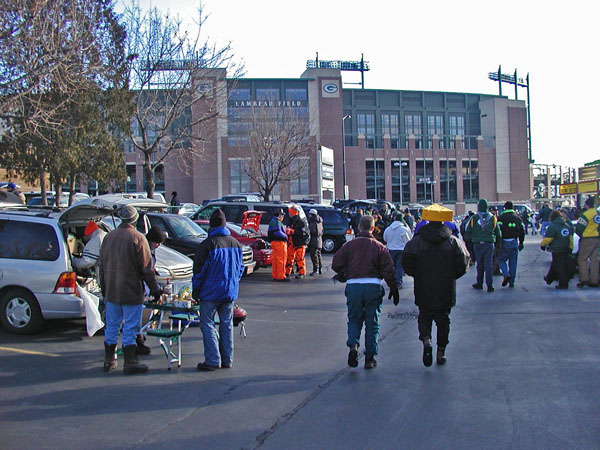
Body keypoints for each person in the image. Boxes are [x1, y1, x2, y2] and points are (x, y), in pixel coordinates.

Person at [403, 204, 470, 367]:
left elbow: (406, 261)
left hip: (423, 286)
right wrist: (452, 275)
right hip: (446, 287)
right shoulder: (453, 241)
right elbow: (464, 262)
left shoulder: (417, 241)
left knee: (424, 317)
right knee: (443, 320)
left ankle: (426, 339)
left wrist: (416, 274)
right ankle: (441, 352)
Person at [98, 205, 161, 374]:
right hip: (131, 291)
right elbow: (147, 269)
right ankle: (130, 361)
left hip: (112, 290)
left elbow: (101, 266)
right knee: (131, 327)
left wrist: (104, 288)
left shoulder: (108, 237)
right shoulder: (138, 238)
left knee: (111, 326)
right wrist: (155, 290)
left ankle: (109, 360)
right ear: (134, 219)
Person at [332, 215, 399, 370]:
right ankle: (369, 357)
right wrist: (393, 288)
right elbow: (388, 270)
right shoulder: (379, 247)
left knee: (354, 318)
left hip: (354, 285)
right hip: (373, 286)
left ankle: (353, 345)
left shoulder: (349, 246)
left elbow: (336, 263)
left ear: (359, 227)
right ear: (372, 228)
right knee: (372, 322)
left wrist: (346, 272)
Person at [192, 209, 244, 371]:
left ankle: (213, 359)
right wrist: (233, 283)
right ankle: (227, 359)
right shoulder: (235, 243)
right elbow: (240, 268)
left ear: (211, 226)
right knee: (226, 325)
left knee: (207, 323)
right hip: (229, 292)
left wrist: (196, 292)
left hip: (210, 293)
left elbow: (199, 273)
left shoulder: (207, 245)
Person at [135, 226, 166, 356]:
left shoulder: (149, 248)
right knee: (137, 316)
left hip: (144, 288)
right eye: (157, 242)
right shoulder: (145, 249)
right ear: (151, 240)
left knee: (141, 316)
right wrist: (155, 289)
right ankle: (138, 342)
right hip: (139, 288)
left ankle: (139, 339)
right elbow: (146, 270)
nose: (158, 245)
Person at [464, 198, 502, 292]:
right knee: (488, 263)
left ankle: (479, 283)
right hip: (489, 243)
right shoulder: (493, 218)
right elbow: (498, 232)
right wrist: (498, 242)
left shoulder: (474, 218)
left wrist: (470, 240)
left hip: (477, 243)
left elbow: (468, 231)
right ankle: (490, 285)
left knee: (479, 264)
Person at [542, 210, 573, 289]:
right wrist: (571, 247)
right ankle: (549, 278)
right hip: (566, 248)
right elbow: (570, 238)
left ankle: (563, 284)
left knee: (560, 267)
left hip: (557, 249)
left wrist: (543, 245)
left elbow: (548, 238)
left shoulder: (552, 227)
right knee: (555, 264)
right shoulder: (566, 226)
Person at [497, 201, 525, 288]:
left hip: (504, 241)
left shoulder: (500, 218)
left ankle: (506, 274)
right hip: (514, 241)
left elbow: (497, 231)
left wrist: (497, 243)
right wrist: (521, 242)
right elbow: (522, 230)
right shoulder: (517, 218)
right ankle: (512, 281)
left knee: (501, 260)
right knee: (513, 262)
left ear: (504, 208)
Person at [575, 196, 600, 288]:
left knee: (582, 259)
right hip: (597, 238)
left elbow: (579, 228)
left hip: (587, 238)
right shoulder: (598, 213)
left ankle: (584, 279)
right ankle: (594, 280)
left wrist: (582, 235)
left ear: (586, 205)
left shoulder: (586, 215)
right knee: (595, 260)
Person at [383, 213, 413, 289]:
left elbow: (385, 239)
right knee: (400, 266)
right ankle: (398, 282)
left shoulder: (389, 228)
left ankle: (391, 281)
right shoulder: (405, 229)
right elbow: (410, 240)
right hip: (401, 250)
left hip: (391, 249)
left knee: (392, 267)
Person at [285, 206, 309, 279]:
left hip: (299, 243)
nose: (289, 214)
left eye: (290, 212)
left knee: (300, 258)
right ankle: (287, 272)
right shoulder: (290, 221)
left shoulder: (301, 222)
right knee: (289, 258)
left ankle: (302, 273)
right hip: (291, 242)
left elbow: (304, 232)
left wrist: (293, 231)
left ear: (293, 213)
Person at [268, 208, 289, 282]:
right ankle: (281, 276)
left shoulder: (272, 221)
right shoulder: (277, 222)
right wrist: (286, 236)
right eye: (282, 215)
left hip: (274, 243)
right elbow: (277, 232)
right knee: (281, 259)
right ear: (279, 215)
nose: (283, 217)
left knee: (275, 260)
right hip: (279, 243)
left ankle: (275, 275)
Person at [307, 209, 323, 276]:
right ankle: (320, 269)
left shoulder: (313, 222)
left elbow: (312, 231)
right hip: (319, 240)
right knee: (318, 254)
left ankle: (315, 269)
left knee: (314, 255)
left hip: (314, 240)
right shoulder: (319, 221)